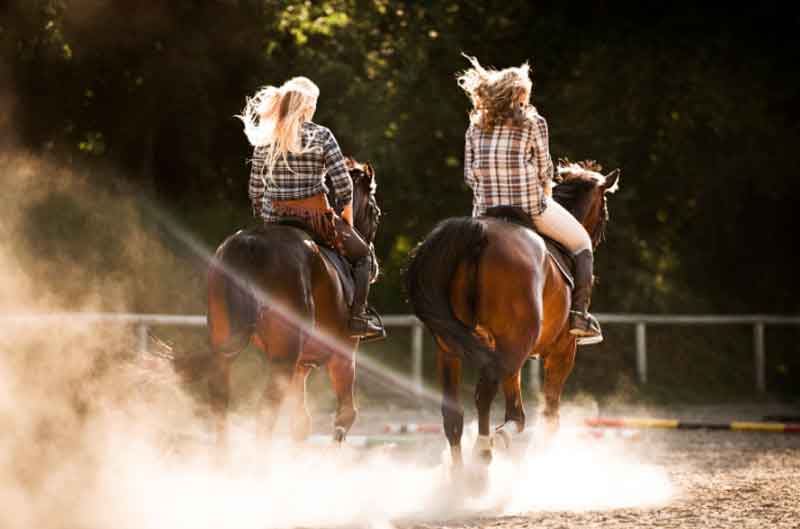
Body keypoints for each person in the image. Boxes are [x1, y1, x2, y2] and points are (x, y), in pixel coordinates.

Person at [457, 55, 603, 343]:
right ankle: (578, 316)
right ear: (519, 93)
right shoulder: (533, 122)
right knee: (583, 244)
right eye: (527, 93)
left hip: (485, 213)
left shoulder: (474, 126)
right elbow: (545, 169)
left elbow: (469, 175)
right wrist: (542, 189)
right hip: (529, 206)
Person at [238, 76, 384, 340]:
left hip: (275, 220)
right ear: (306, 106)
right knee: (363, 256)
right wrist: (347, 221)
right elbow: (343, 185)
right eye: (313, 103)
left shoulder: (266, 138)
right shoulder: (321, 135)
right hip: (316, 221)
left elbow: (255, 190)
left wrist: (268, 217)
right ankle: (357, 318)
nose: (315, 108)